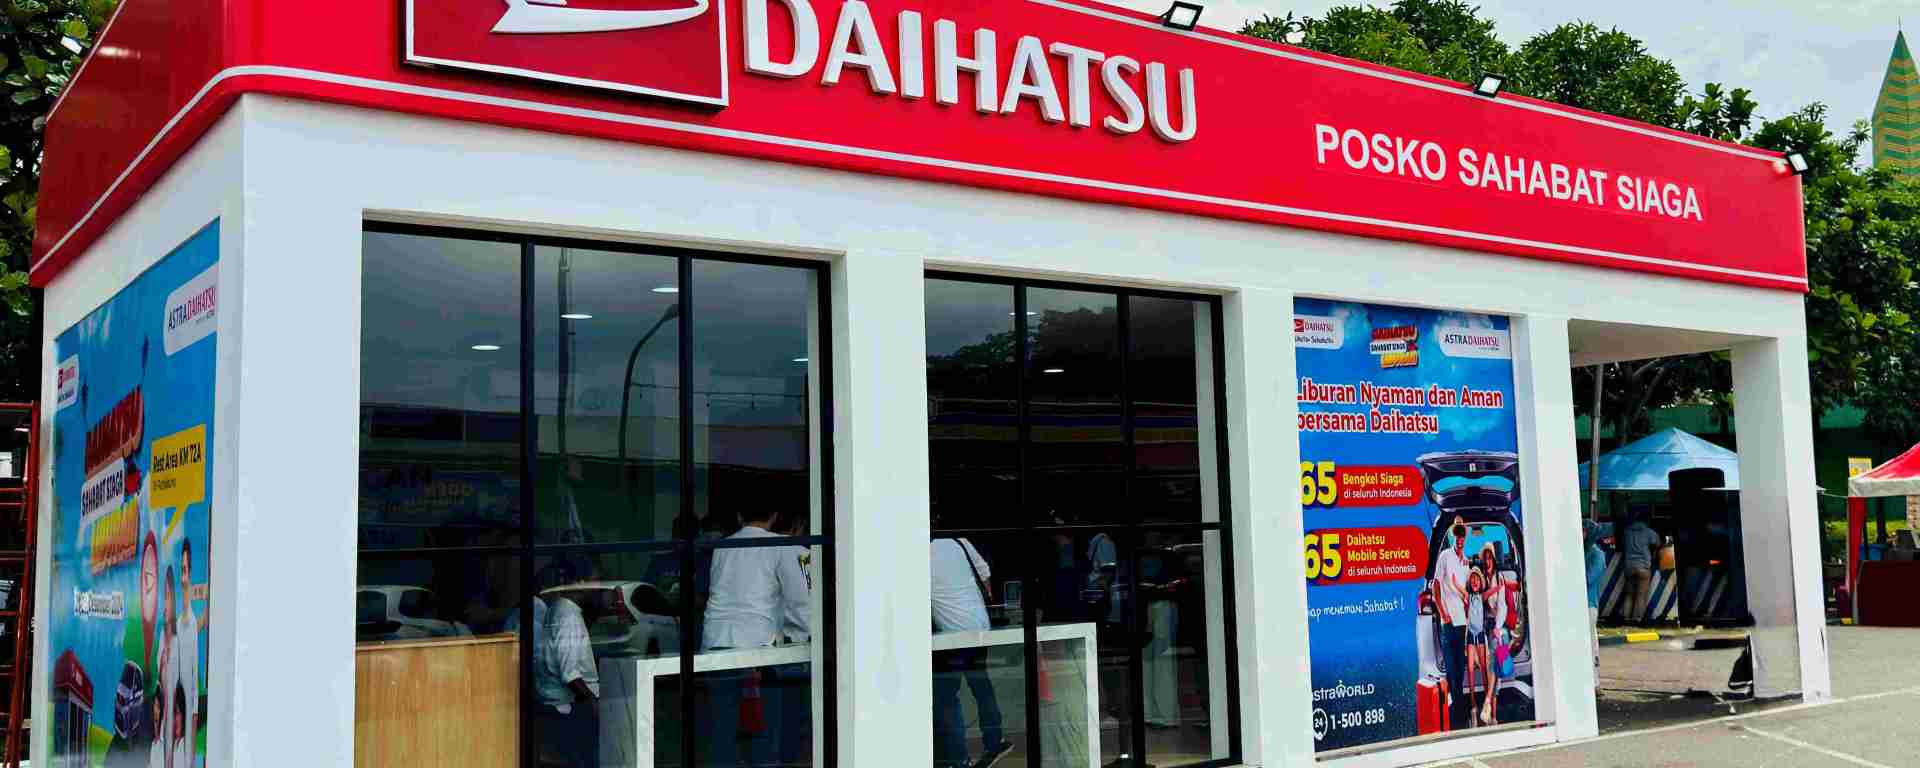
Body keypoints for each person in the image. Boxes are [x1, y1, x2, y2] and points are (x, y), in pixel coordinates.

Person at [703, 506, 813, 768]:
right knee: (764, 736)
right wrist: (805, 636)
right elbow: (802, 600)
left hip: (716, 643)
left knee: (722, 733)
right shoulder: (783, 546)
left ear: (739, 516)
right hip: (759, 649)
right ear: (773, 516)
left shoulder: (722, 547)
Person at [930, 536, 1011, 768]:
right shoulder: (960, 542)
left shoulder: (915, 555)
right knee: (980, 683)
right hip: (980, 625)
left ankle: (958, 759)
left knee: (945, 696)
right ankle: (995, 741)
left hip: (953, 633)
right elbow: (985, 575)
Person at [533, 563, 602, 768]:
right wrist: (593, 703)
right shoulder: (568, 615)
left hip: (564, 705)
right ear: (580, 583)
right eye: (595, 580)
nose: (598, 587)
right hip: (571, 708)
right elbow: (569, 673)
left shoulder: (560, 609)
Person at [1432, 519, 1473, 730]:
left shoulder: (1465, 562)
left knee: (1460, 667)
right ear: (1453, 537)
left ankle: (1459, 708)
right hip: (1448, 621)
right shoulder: (1445, 556)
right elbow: (1436, 584)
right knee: (1451, 668)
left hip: (1462, 622)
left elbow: (1468, 592)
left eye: (1462, 536)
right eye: (1457, 536)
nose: (1459, 539)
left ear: (1465, 538)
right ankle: (1457, 712)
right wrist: (1442, 612)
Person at [175, 539, 200, 760]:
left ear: (190, 574)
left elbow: (193, 680)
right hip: (176, 710)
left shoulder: (190, 622)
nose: (182, 577)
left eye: (185, 570)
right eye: (180, 570)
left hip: (189, 711)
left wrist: (193, 714)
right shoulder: (178, 622)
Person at [1620, 513, 1662, 625]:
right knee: (1641, 595)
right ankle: (1637, 619)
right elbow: (1658, 543)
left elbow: (1622, 544)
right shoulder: (1648, 532)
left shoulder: (1627, 531)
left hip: (1629, 566)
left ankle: (1625, 618)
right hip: (1643, 567)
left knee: (1629, 594)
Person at [1583, 520, 1611, 665]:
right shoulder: (1581, 552)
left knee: (1589, 641)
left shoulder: (1597, 555)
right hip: (1580, 603)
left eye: (1584, 531)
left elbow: (1588, 578)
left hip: (1589, 604)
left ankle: (1594, 673)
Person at [1464, 568, 1489, 728]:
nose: (1475, 582)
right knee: (1471, 669)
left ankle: (1487, 703)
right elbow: (1460, 590)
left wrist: (1501, 586)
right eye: (1472, 580)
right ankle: (1473, 705)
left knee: (1484, 668)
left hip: (1480, 635)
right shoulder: (1468, 596)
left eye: (1477, 580)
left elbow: (1492, 590)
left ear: (1480, 583)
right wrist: (1453, 583)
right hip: (1470, 636)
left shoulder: (1482, 596)